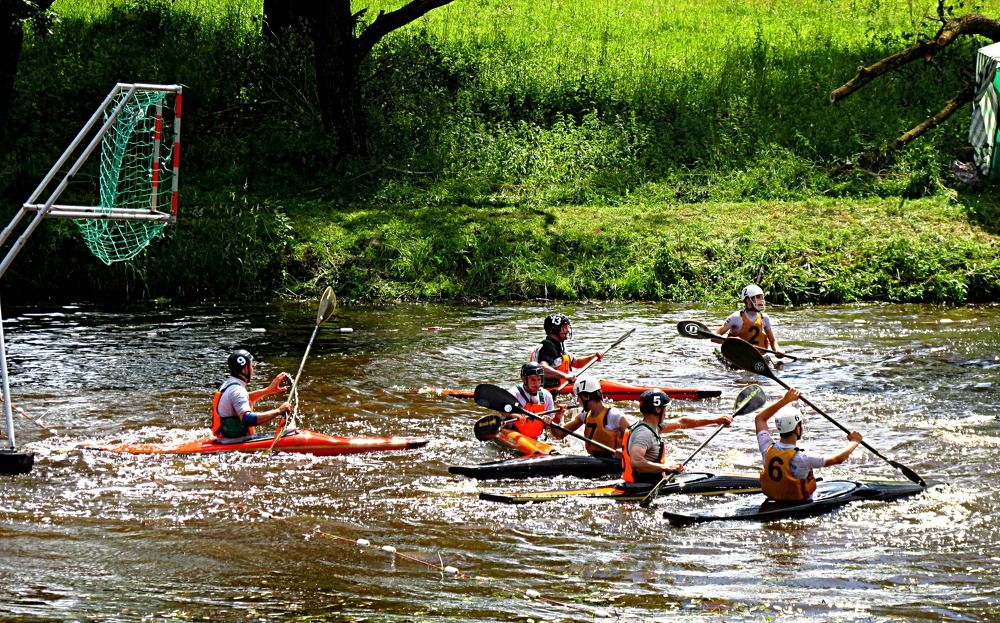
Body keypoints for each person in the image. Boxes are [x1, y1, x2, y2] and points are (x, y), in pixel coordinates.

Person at [754, 387, 863, 501]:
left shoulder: (766, 449)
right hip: (799, 503)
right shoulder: (802, 458)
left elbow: (760, 419)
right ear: (797, 428)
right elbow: (838, 459)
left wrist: (785, 400)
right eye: (800, 425)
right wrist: (855, 441)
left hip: (775, 499)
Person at [621, 389, 735, 484]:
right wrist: (668, 467)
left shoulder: (654, 426)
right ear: (657, 409)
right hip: (642, 487)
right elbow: (636, 462)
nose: (667, 412)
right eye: (665, 409)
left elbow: (683, 422)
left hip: (648, 482)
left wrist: (715, 421)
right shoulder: (644, 433)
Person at [211, 349, 292, 441]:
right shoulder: (237, 390)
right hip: (232, 442)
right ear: (245, 369)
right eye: (252, 366)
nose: (253, 369)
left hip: (223, 438)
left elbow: (243, 399)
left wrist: (268, 390)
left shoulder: (228, 384)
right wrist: (279, 411)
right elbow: (247, 419)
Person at [548, 376, 629, 458]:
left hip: (612, 462)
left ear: (586, 397)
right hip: (593, 459)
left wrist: (624, 450)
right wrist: (554, 420)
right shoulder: (584, 416)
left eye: (579, 397)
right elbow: (559, 434)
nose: (577, 401)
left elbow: (636, 437)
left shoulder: (614, 416)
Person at [528, 313, 604, 389]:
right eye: (564, 327)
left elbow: (577, 363)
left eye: (567, 327)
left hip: (561, 387)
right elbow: (542, 368)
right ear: (554, 329)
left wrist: (594, 357)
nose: (567, 330)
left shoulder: (557, 345)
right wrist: (565, 376)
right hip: (549, 390)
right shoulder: (548, 347)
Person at [715, 284, 784, 357]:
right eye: (757, 297)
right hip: (738, 355)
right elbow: (714, 338)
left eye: (762, 297)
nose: (761, 300)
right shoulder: (736, 317)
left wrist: (777, 350)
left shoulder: (764, 318)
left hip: (759, 357)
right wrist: (731, 342)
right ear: (748, 300)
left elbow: (772, 340)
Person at [506, 362, 565, 439]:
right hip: (516, 434)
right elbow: (502, 412)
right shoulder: (513, 393)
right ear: (524, 379)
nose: (537, 384)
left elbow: (551, 427)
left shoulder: (546, 395)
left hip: (536, 437)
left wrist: (556, 416)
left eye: (539, 379)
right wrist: (512, 414)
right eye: (533, 380)